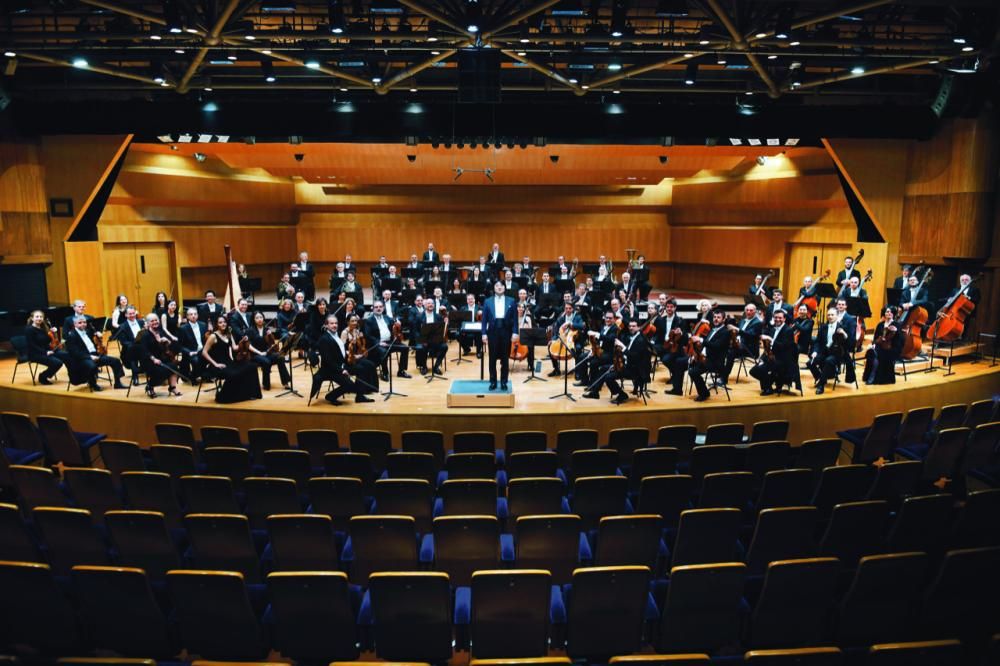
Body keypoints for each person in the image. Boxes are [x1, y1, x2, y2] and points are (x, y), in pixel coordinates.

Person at [583, 319, 650, 404]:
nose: (631, 328)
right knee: (603, 369)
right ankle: (595, 392)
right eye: (630, 326)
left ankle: (622, 394)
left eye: (634, 326)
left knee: (608, 377)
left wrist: (622, 347)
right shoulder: (630, 336)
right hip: (627, 365)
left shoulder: (641, 340)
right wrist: (617, 362)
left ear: (639, 327)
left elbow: (634, 358)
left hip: (636, 370)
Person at [310, 315, 373, 405]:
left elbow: (340, 353)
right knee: (350, 385)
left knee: (362, 369)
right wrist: (342, 370)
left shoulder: (336, 335)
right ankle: (331, 396)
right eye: (331, 323)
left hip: (341, 365)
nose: (334, 325)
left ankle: (360, 397)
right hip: (330, 370)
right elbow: (328, 360)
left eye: (336, 323)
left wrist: (352, 358)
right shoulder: (324, 339)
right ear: (326, 325)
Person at [201, 315, 261, 403]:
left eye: (224, 322)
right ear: (216, 324)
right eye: (220, 322)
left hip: (229, 362)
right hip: (217, 365)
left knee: (252, 366)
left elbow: (235, 348)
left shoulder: (229, 334)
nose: (223, 324)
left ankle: (250, 394)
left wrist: (242, 342)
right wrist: (215, 364)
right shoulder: (213, 336)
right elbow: (204, 352)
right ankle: (223, 397)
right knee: (233, 374)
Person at [65, 315, 126, 391]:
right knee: (92, 366)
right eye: (80, 323)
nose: (83, 324)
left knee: (115, 361)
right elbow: (75, 353)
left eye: (84, 322)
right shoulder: (71, 336)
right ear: (75, 324)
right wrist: (90, 357)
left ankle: (118, 383)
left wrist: (98, 336)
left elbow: (95, 341)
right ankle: (93, 384)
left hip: (95, 355)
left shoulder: (88, 332)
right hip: (82, 358)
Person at [750, 310, 798, 396]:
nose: (777, 319)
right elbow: (768, 348)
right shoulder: (772, 329)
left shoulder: (788, 330)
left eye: (780, 318)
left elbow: (784, 347)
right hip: (772, 357)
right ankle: (769, 385)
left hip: (783, 359)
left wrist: (771, 339)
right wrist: (761, 359)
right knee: (753, 371)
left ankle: (768, 388)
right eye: (775, 317)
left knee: (761, 369)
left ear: (784, 319)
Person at [482, 281, 519, 390]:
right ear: (494, 288)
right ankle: (493, 381)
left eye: (501, 286)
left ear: (504, 288)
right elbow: (484, 319)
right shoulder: (487, 301)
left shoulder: (511, 300)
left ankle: (504, 381)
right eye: (497, 285)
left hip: (506, 331)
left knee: (505, 358)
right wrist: (483, 333)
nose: (499, 287)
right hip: (492, 332)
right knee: (492, 358)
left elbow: (515, 319)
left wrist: (515, 332)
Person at [687, 309, 730, 402]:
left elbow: (716, 346)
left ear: (723, 319)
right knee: (689, 365)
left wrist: (701, 340)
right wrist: (696, 355)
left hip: (716, 361)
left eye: (718, 317)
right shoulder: (712, 329)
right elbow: (705, 345)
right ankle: (702, 391)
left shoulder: (725, 332)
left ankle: (704, 394)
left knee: (693, 372)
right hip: (706, 358)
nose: (716, 319)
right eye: (714, 317)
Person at [363, 300, 412, 379]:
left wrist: (398, 322)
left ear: (383, 308)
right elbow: (368, 335)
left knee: (405, 348)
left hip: (390, 342)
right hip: (378, 343)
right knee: (383, 352)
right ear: (373, 309)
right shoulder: (369, 320)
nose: (378, 308)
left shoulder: (387, 317)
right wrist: (378, 342)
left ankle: (401, 371)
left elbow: (395, 324)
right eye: (376, 307)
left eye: (380, 307)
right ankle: (385, 373)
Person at [136, 314, 181, 398]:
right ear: (148, 323)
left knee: (174, 367)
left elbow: (169, 347)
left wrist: (168, 342)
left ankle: (172, 387)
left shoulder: (161, 332)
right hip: (149, 360)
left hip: (161, 358)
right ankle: (150, 386)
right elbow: (144, 351)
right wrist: (153, 359)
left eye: (156, 320)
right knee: (160, 371)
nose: (155, 322)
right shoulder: (145, 335)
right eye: (152, 321)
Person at [247, 311, 290, 390]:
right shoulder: (250, 330)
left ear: (263, 318)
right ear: (254, 320)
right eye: (257, 318)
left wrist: (270, 335)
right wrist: (260, 353)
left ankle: (285, 382)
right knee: (266, 362)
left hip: (266, 352)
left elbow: (271, 343)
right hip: (255, 354)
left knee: (280, 357)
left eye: (261, 317)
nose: (259, 319)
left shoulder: (266, 329)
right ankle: (266, 383)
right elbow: (248, 346)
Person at [809, 308, 848, 395]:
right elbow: (818, 341)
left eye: (832, 315)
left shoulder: (842, 327)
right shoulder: (823, 327)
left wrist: (844, 334)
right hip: (824, 352)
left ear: (837, 316)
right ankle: (820, 378)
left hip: (836, 354)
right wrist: (815, 351)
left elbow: (848, 343)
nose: (830, 317)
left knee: (828, 361)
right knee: (810, 363)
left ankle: (821, 385)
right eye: (828, 315)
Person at [24, 310, 67, 385]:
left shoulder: (43, 328)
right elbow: (32, 345)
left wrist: (53, 332)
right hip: (35, 354)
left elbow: (48, 341)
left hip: (47, 351)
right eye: (37, 316)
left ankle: (73, 375)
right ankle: (43, 376)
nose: (39, 318)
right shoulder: (29, 330)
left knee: (66, 355)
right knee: (57, 363)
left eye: (41, 317)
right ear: (32, 318)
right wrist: (45, 352)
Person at [657, 298, 689, 396]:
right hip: (664, 346)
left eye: (671, 307)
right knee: (660, 354)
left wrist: (681, 333)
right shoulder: (661, 320)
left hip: (676, 347)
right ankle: (676, 377)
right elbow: (658, 335)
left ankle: (676, 377)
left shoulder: (680, 321)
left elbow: (686, 338)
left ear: (675, 308)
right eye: (667, 307)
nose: (669, 309)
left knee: (667, 360)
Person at [863, 307, 903, 385]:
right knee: (871, 352)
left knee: (878, 354)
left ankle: (873, 378)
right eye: (887, 312)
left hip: (891, 348)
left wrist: (895, 332)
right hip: (880, 346)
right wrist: (873, 344)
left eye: (891, 312)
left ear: (893, 314)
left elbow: (900, 340)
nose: (889, 313)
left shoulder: (897, 325)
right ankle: (869, 377)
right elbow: (875, 338)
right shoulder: (880, 325)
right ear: (884, 313)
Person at [341, 314, 379, 394]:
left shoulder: (357, 331)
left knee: (371, 364)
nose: (355, 323)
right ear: (348, 322)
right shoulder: (344, 333)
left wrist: (362, 350)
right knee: (364, 367)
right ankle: (361, 389)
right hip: (349, 359)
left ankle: (371, 388)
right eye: (352, 321)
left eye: (355, 321)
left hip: (357, 357)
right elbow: (343, 350)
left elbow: (360, 346)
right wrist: (354, 356)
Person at [547, 302, 586, 378]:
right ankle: (556, 369)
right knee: (550, 346)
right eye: (566, 308)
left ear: (572, 309)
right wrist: (553, 340)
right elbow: (556, 332)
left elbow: (582, 326)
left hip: (574, 340)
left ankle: (577, 371)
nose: (568, 310)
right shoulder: (561, 318)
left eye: (570, 308)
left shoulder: (577, 317)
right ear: (564, 309)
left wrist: (571, 324)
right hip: (562, 339)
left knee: (578, 348)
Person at [726, 303, 763, 380]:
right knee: (722, 347)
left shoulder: (758, 323)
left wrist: (737, 329)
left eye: (751, 310)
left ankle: (724, 376)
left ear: (755, 311)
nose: (748, 312)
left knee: (731, 352)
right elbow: (738, 333)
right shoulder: (742, 320)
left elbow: (750, 335)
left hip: (750, 349)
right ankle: (721, 372)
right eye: (747, 310)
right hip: (740, 345)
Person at [414, 298, 448, 376]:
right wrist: (421, 340)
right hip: (424, 340)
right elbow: (416, 331)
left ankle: (436, 367)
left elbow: (441, 330)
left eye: (432, 303)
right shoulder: (419, 317)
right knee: (421, 348)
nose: (431, 305)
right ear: (425, 305)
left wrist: (446, 323)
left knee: (444, 347)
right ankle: (424, 366)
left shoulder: (438, 316)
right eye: (428, 303)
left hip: (435, 340)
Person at [115, 305, 145, 384]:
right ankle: (135, 376)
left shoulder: (141, 322)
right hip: (129, 350)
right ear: (126, 315)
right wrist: (134, 345)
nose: (132, 315)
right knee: (132, 349)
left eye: (133, 313)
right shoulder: (122, 326)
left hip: (143, 347)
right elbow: (123, 342)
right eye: (130, 314)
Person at [178, 307, 206, 382]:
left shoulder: (203, 325)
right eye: (191, 314)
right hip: (191, 352)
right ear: (187, 316)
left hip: (203, 350)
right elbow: (180, 345)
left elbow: (205, 340)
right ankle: (193, 376)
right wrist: (189, 352)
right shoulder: (183, 328)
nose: (193, 316)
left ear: (198, 315)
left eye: (195, 314)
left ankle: (205, 374)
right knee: (196, 361)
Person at [459, 293, 484, 357]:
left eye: (472, 299)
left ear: (474, 300)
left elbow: (485, 318)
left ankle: (478, 351)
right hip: (466, 328)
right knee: (457, 334)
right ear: (467, 300)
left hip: (477, 327)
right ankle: (466, 349)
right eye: (469, 299)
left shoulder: (480, 308)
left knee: (480, 333)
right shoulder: (463, 308)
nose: (470, 300)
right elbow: (460, 320)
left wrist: (482, 313)